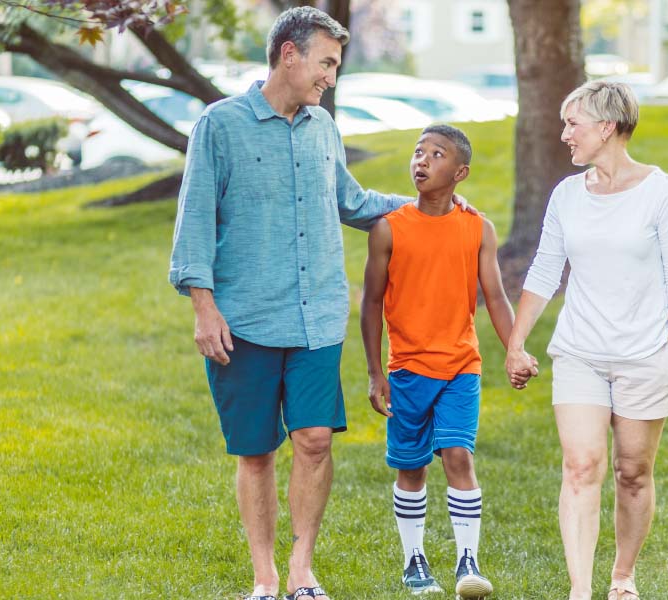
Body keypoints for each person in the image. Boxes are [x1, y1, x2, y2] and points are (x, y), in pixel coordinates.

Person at [168, 8, 473, 600]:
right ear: (289, 54)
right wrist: (204, 307)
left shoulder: (321, 127)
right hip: (244, 320)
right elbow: (195, 222)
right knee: (256, 453)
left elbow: (353, 202)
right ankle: (265, 579)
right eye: (326, 62)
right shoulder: (220, 125)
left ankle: (303, 571)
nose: (331, 76)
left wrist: (431, 208)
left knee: (314, 440)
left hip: (316, 317)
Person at [504, 80, 668, 600]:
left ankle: (622, 577)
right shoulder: (567, 195)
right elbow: (545, 271)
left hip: (644, 355)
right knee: (582, 464)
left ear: (607, 127)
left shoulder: (662, 192)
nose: (564, 134)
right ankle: (580, 590)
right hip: (580, 353)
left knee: (632, 471)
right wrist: (516, 342)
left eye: (573, 123)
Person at [360, 124, 532, 599]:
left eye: (436, 155)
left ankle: (467, 561)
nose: (422, 161)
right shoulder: (388, 228)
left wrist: (514, 347)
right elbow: (371, 303)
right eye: (418, 152)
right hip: (406, 371)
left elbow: (495, 296)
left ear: (460, 173)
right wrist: (376, 372)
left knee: (459, 456)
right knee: (412, 468)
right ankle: (414, 560)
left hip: (461, 367)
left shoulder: (478, 228)